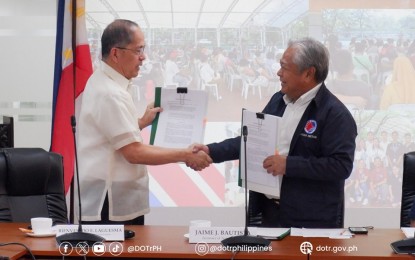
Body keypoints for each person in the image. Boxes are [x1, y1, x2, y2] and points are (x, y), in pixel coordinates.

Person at [192, 37, 357, 228]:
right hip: (267, 214)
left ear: (308, 73)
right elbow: (251, 141)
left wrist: (289, 165)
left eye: (285, 67)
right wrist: (211, 151)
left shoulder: (335, 114)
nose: (279, 73)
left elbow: (341, 166)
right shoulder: (278, 100)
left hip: (309, 221)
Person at [77, 19, 212, 225]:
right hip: (110, 203)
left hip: (114, 198)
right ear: (115, 53)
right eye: (138, 50)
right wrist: (185, 155)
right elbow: (134, 152)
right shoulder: (110, 93)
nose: (143, 57)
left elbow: (109, 136)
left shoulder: (106, 81)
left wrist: (139, 123)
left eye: (144, 49)